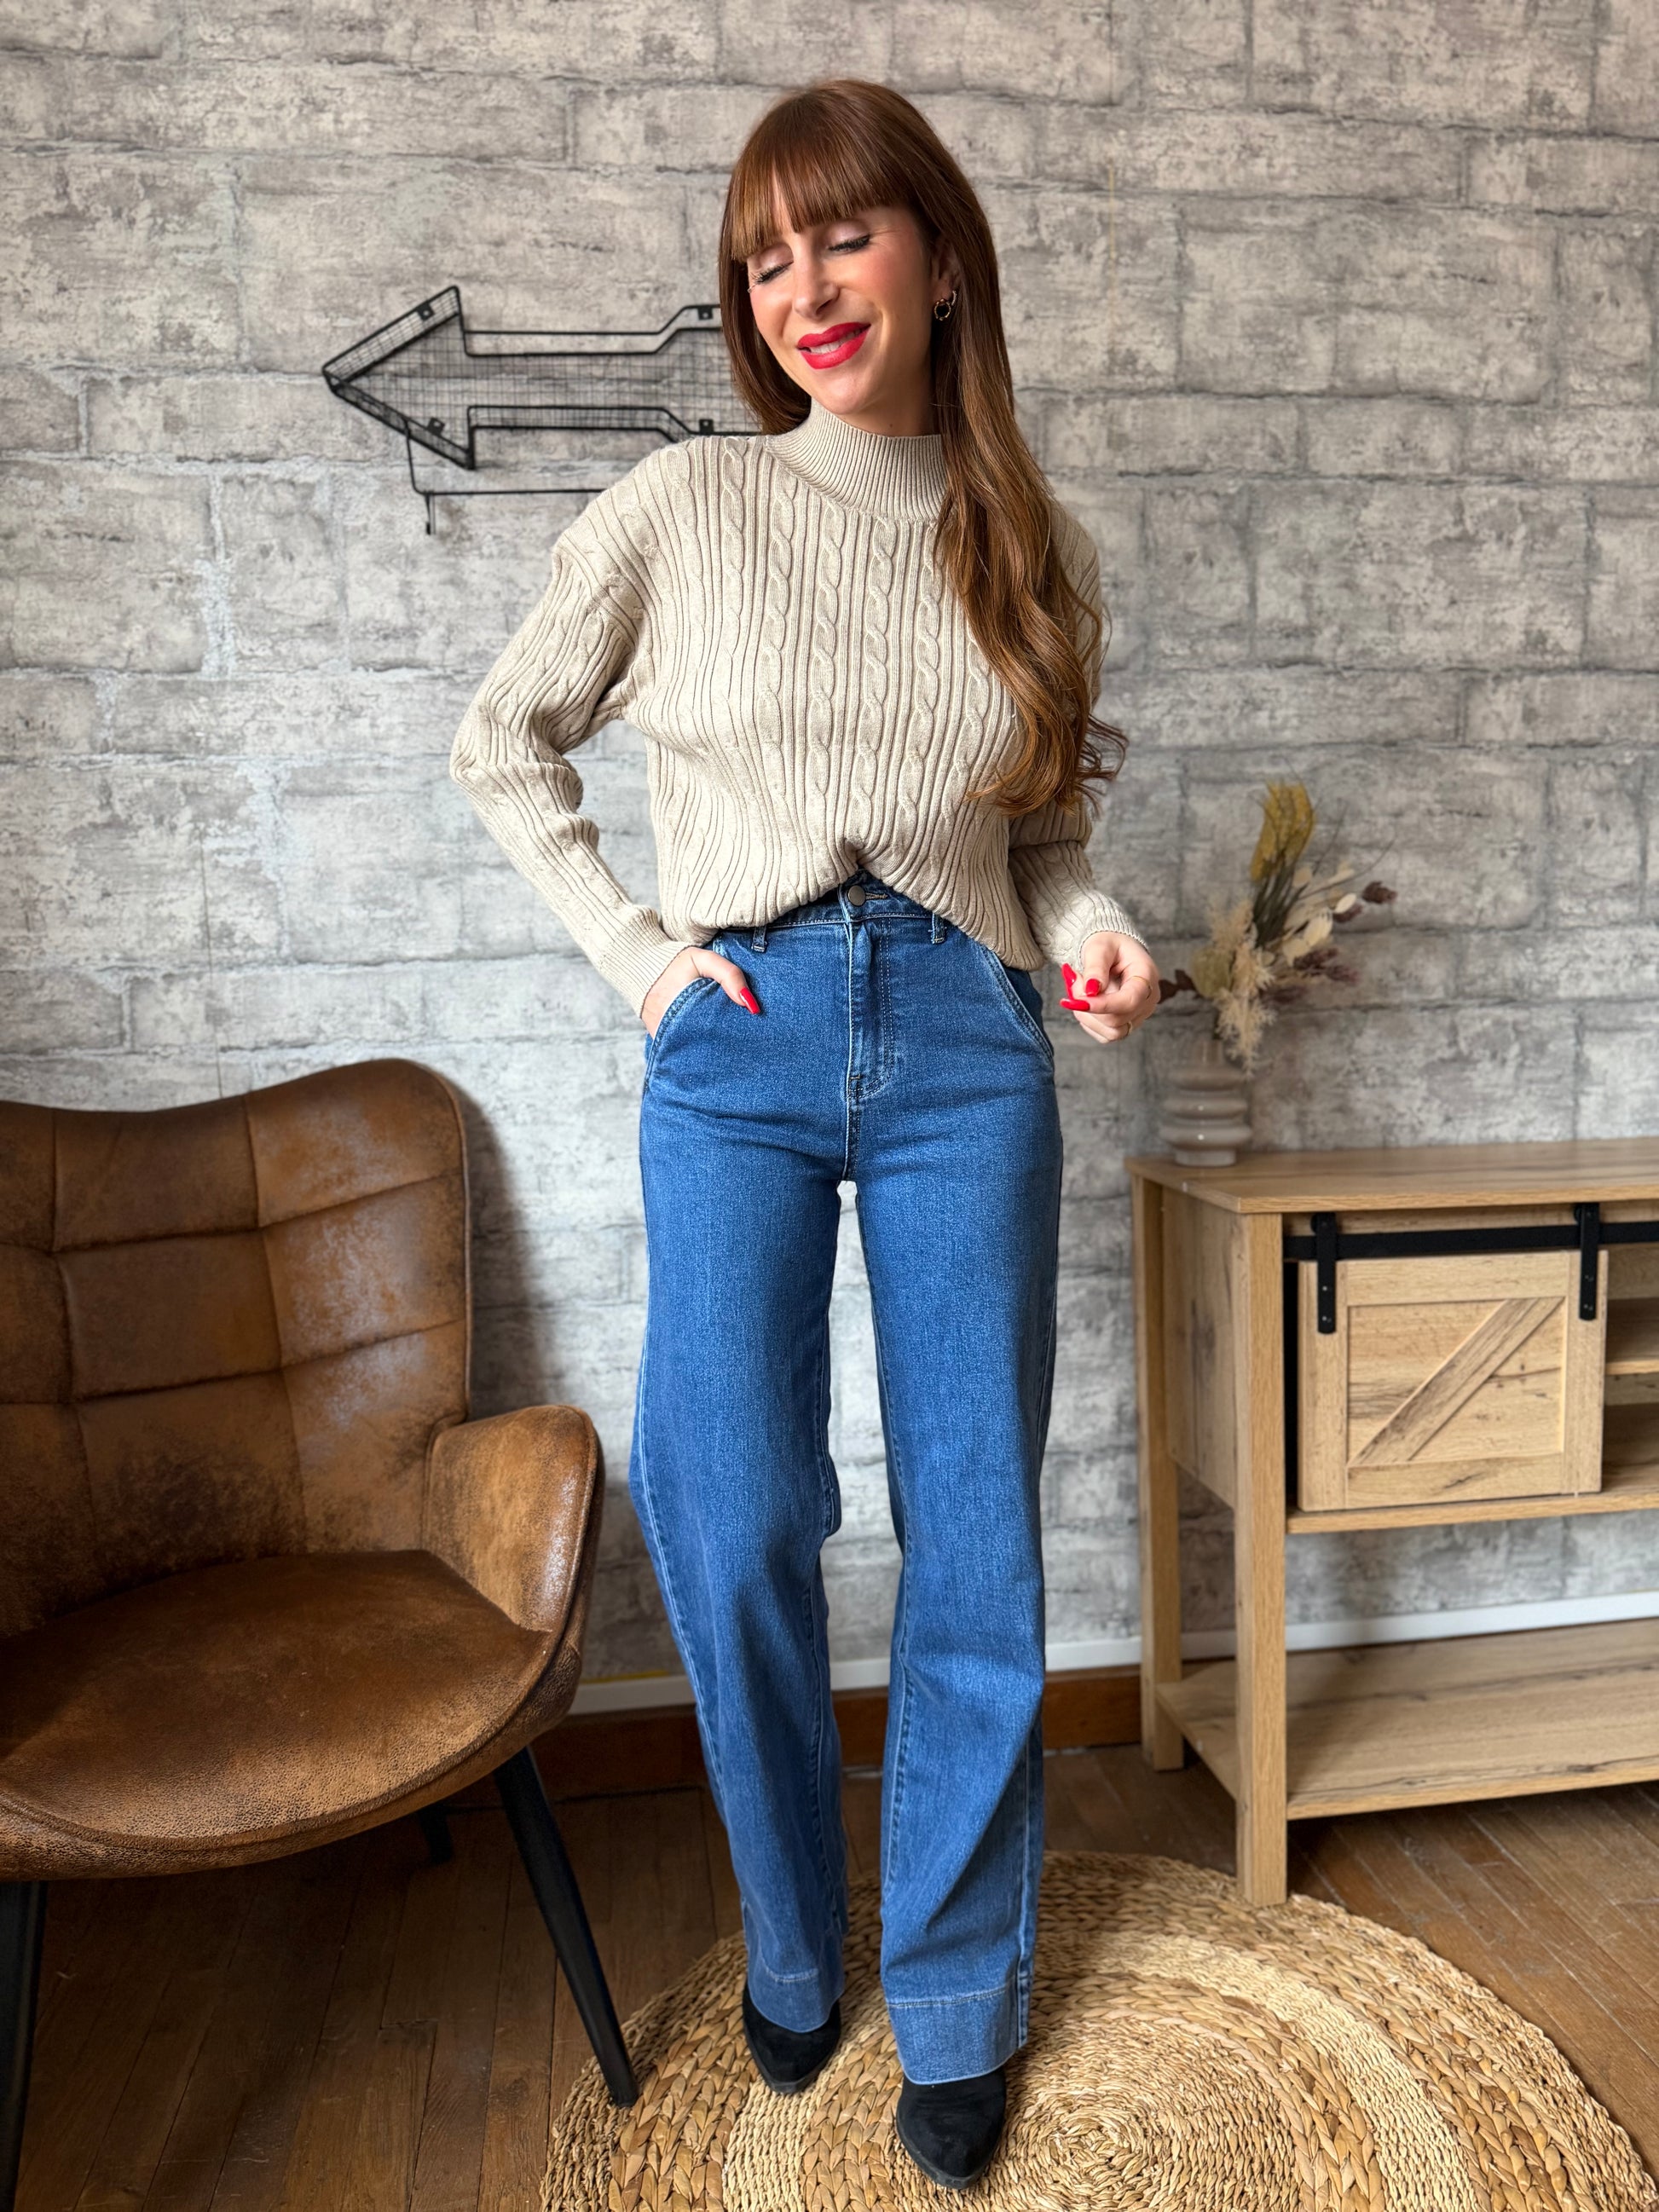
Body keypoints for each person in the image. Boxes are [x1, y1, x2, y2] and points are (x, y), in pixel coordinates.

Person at [449, 76, 1160, 2192]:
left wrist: (1096, 934)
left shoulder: (1028, 542)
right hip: (738, 1038)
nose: (806, 285)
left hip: (964, 1037)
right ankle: (787, 1935)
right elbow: (501, 738)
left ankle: (956, 1996)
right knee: (732, 1501)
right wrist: (638, 953)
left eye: (843, 234)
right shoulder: (684, 505)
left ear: (938, 255)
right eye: (766, 255)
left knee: (976, 1533)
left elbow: (1043, 842)